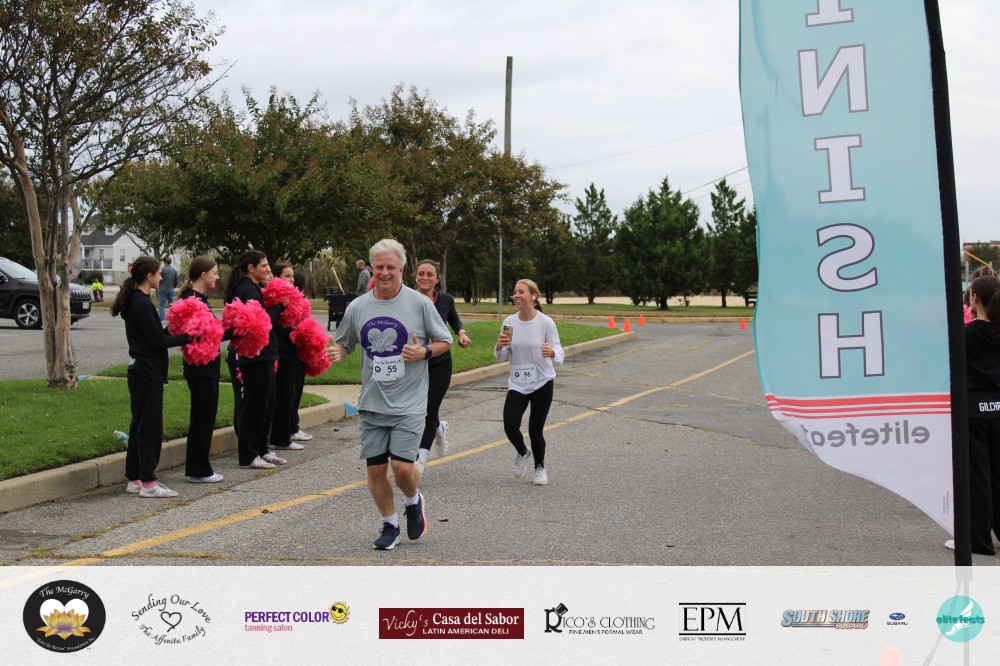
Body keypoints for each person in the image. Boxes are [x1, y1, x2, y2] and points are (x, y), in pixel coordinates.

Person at [329, 239, 453, 550]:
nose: (385, 272)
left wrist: (424, 352)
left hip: (409, 402)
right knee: (375, 469)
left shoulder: (419, 303)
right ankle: (390, 525)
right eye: (379, 267)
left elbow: (445, 340)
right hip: (372, 402)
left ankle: (413, 500)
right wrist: (336, 353)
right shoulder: (358, 306)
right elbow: (344, 343)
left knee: (401, 468)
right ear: (372, 269)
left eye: (391, 267)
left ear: (401, 269)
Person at [110, 256, 191, 498]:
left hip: (141, 370)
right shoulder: (141, 303)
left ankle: (135, 478)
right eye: (159, 274)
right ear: (149, 276)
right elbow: (156, 341)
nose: (161, 277)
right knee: (150, 428)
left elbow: (153, 334)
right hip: (147, 371)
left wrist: (175, 329)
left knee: (139, 425)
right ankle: (148, 482)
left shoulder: (138, 300)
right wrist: (189, 337)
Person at [494, 278, 564, 486]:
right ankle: (523, 451)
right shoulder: (509, 323)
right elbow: (501, 356)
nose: (516, 295)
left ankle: (539, 467)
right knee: (510, 426)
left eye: (521, 292)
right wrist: (499, 347)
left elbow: (559, 351)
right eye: (515, 292)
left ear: (533, 296)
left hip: (542, 381)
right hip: (518, 382)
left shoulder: (546, 323)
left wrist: (552, 352)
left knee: (535, 430)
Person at [949, 275, 1000, 556]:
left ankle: (978, 540)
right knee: (998, 475)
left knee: (977, 478)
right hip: (998, 408)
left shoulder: (966, 334)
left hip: (973, 410)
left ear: (975, 298)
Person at [224, 250, 287, 470]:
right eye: (264, 265)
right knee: (255, 406)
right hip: (255, 355)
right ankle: (249, 455)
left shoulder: (252, 287)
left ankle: (261, 449)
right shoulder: (248, 289)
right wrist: (280, 307)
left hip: (262, 354)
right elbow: (260, 322)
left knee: (265, 404)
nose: (268, 269)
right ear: (251, 268)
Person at [413, 259, 472, 472]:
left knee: (429, 411)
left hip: (440, 363)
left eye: (430, 274)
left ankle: (419, 461)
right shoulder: (406, 299)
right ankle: (440, 429)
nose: (425, 278)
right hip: (414, 364)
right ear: (415, 276)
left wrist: (462, 334)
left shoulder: (445, 300)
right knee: (417, 411)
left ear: (437, 279)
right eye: (421, 273)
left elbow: (454, 320)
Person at [178, 257, 226, 483]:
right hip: (200, 367)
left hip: (207, 367)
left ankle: (199, 467)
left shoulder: (199, 299)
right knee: (202, 418)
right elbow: (195, 335)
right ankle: (198, 470)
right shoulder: (192, 300)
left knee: (205, 417)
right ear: (203, 275)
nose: (217, 276)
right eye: (214, 273)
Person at [268, 263, 305, 452]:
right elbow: (277, 325)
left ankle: (288, 431)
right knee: (284, 395)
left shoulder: (289, 297)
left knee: (291, 393)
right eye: (287, 276)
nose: (291, 279)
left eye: (292, 276)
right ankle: (280, 438)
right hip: (281, 352)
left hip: (291, 351)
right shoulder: (275, 299)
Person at [289, 270, 312, 443]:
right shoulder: (291, 303)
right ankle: (290, 428)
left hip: (298, 352)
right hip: (292, 352)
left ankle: (293, 426)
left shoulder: (298, 301)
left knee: (295, 392)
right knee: (291, 394)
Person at [158, 256, 179, 320]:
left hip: (162, 289)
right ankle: (173, 318)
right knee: (172, 305)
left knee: (161, 305)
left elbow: (158, 278)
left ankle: (162, 318)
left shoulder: (162, 270)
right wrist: (173, 286)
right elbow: (176, 281)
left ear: (165, 262)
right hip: (171, 289)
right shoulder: (174, 271)